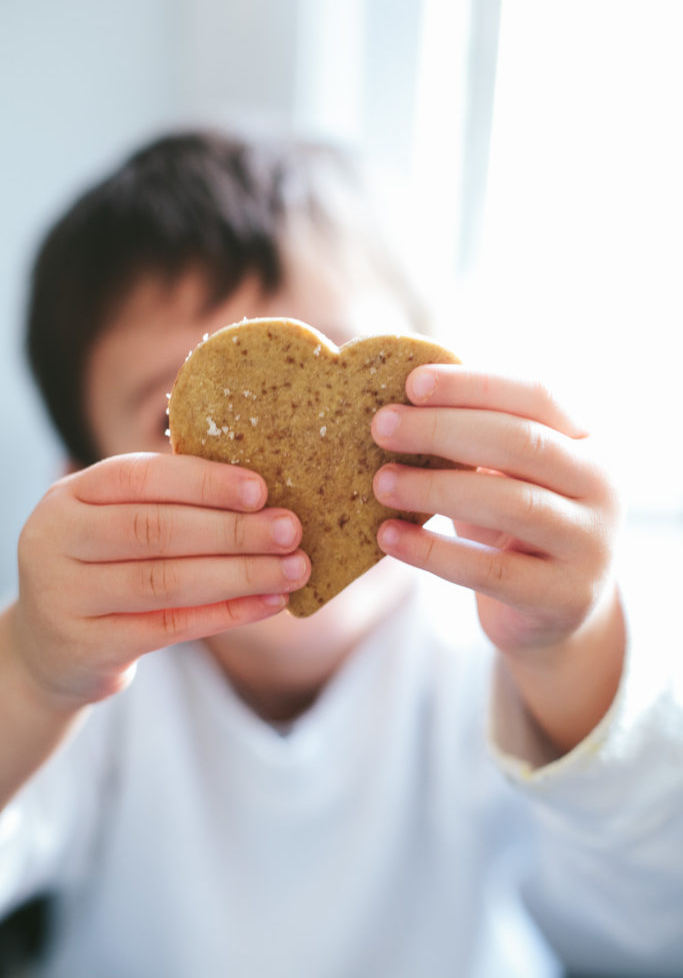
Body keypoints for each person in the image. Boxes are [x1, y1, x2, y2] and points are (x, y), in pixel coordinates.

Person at [0, 131, 681, 978]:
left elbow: (648, 929)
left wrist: (572, 651)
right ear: (87, 487)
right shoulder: (87, 698)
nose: (272, 471)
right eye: (177, 422)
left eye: (344, 396)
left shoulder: (481, 659)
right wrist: (27, 675)